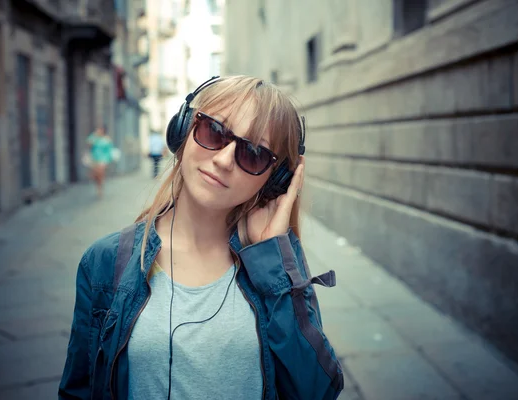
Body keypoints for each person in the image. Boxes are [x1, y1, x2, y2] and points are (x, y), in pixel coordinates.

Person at [59, 76, 344, 399]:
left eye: (253, 153)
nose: (223, 161)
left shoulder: (276, 262)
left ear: (275, 180)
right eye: (214, 131)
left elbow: (316, 392)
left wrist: (272, 261)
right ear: (182, 130)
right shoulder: (106, 261)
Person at [86, 125, 114, 198]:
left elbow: (109, 151)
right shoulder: (95, 138)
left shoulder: (106, 139)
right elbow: (88, 142)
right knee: (96, 175)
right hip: (95, 159)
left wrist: (108, 160)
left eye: (100, 130)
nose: (98, 131)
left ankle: (100, 188)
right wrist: (94, 135)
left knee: (100, 173)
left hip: (103, 160)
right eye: (97, 130)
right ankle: (99, 185)